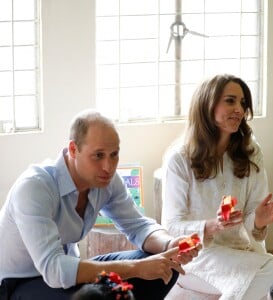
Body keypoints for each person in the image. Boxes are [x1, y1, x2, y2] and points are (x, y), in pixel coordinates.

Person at [0, 109, 201, 300]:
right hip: (18, 282)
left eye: (114, 154)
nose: (108, 166)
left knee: (164, 267)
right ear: (73, 149)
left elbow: (138, 225)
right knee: (95, 297)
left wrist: (170, 244)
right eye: (98, 155)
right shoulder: (35, 187)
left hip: (67, 274)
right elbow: (54, 270)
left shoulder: (106, 181)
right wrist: (137, 268)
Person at [161, 74, 273, 300]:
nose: (239, 109)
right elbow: (171, 225)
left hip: (245, 254)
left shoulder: (251, 151)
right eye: (230, 101)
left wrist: (259, 220)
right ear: (207, 103)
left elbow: (252, 222)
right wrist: (212, 226)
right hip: (197, 256)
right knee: (270, 270)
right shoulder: (179, 158)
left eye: (243, 103)